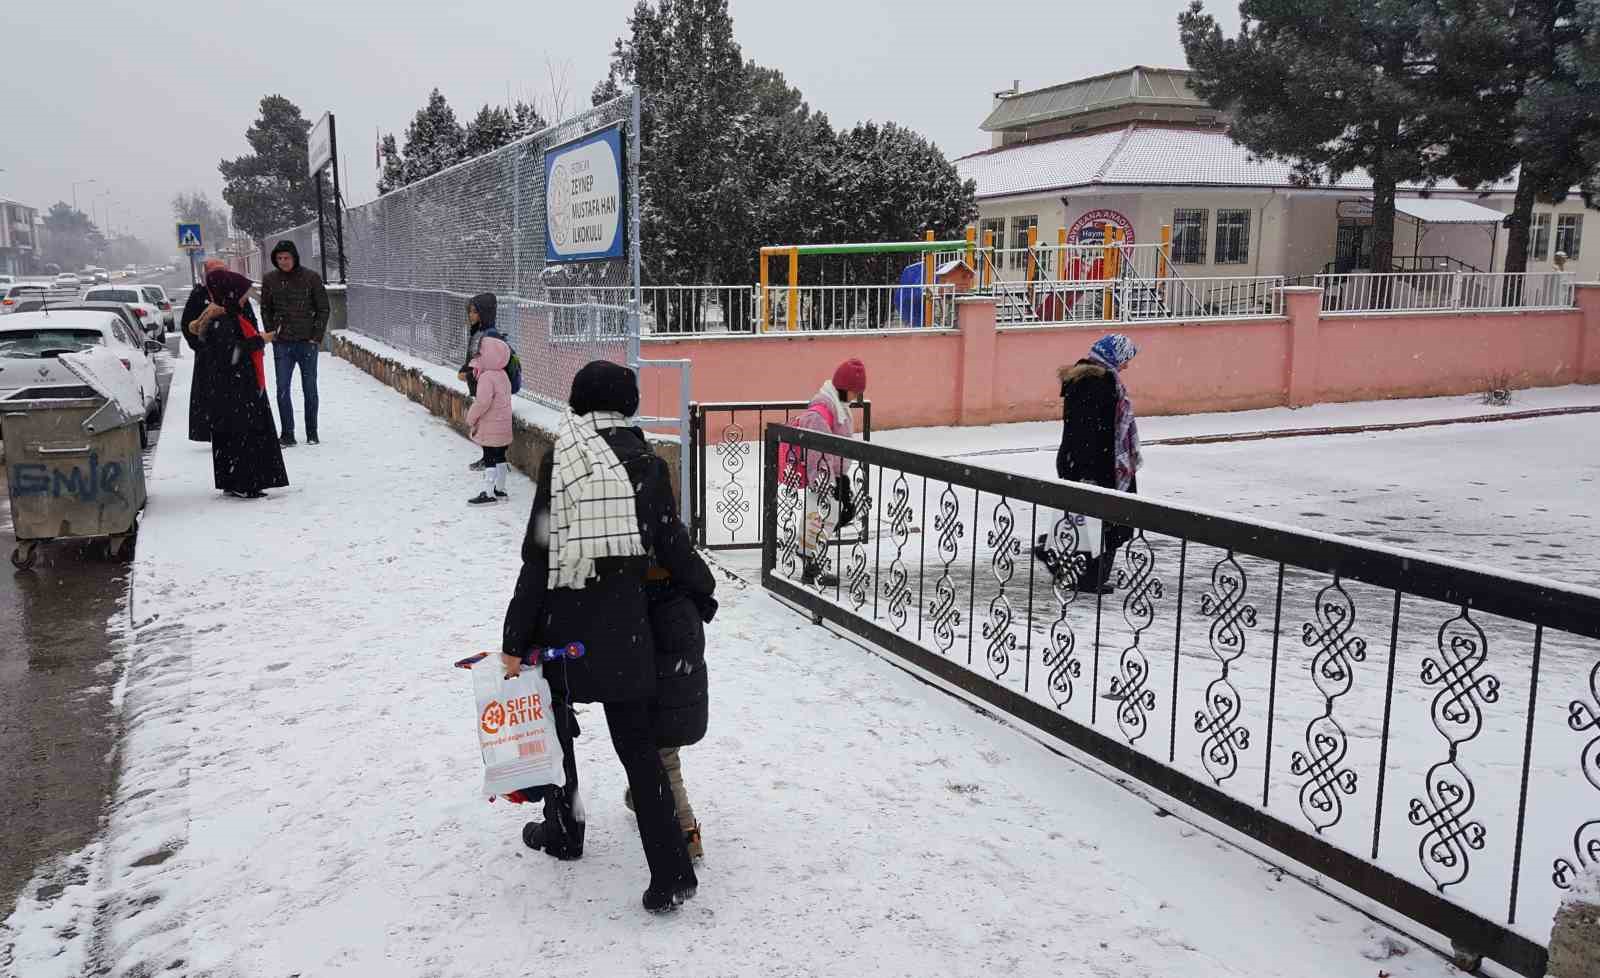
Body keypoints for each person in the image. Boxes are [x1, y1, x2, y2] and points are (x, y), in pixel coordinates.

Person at [501, 360, 703, 913]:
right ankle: (671, 873)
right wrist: (702, 590)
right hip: (626, 628)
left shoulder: (561, 459)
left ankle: (565, 828)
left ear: (577, 403)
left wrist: (515, 638)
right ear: (629, 404)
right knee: (638, 749)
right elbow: (670, 540)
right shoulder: (647, 462)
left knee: (556, 722)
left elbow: (540, 556)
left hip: (565, 630)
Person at [1034, 333, 1141, 593]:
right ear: (1113, 356)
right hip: (1097, 462)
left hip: (1084, 460)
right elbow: (1090, 431)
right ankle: (1083, 574)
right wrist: (1090, 470)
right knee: (1109, 522)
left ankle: (1075, 567)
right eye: (1125, 359)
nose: (1126, 366)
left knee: (1086, 520)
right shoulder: (1099, 383)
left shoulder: (1087, 379)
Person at [191, 268, 289, 499]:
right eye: (244, 292)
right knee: (243, 435)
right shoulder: (223, 320)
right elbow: (232, 352)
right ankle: (245, 481)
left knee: (233, 436)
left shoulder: (226, 315)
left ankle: (234, 479)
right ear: (231, 293)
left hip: (233, 388)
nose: (247, 297)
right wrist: (260, 340)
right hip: (235, 390)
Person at [778, 358, 866, 587]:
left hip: (833, 476)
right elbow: (816, 452)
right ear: (843, 388)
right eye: (854, 392)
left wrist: (841, 477)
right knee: (816, 519)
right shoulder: (821, 413)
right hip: (823, 478)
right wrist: (823, 481)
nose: (856, 398)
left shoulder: (839, 408)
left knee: (827, 518)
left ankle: (812, 562)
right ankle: (810, 567)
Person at [260, 240, 330, 447]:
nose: (283, 262)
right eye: (279, 258)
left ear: (294, 257)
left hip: (307, 343)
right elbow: (266, 309)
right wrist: (273, 332)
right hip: (282, 344)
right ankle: (287, 434)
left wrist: (315, 336)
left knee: (310, 388)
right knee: (282, 388)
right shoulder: (270, 280)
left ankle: (312, 432)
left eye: (287, 258)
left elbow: (323, 308)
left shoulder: (311, 278)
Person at [180, 258, 228, 442]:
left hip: (233, 354)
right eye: (213, 274)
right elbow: (187, 324)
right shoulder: (199, 294)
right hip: (207, 355)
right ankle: (211, 432)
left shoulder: (234, 292)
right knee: (208, 395)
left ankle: (232, 429)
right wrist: (199, 346)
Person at [464, 335, 513, 505]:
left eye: (481, 353)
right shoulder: (503, 375)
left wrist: (471, 418)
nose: (478, 356)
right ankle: (500, 490)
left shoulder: (486, 377)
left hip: (490, 426)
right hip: (503, 427)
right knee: (500, 457)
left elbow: (482, 403)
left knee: (489, 457)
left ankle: (488, 493)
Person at [459, 294, 503, 470]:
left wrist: (468, 375)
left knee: (490, 425)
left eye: (474, 312)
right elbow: (473, 358)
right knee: (485, 425)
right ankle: (489, 458)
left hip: (489, 388)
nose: (471, 315)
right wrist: (465, 369)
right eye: (470, 311)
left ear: (484, 313)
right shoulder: (478, 332)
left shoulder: (489, 335)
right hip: (481, 386)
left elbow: (486, 364)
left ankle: (495, 461)